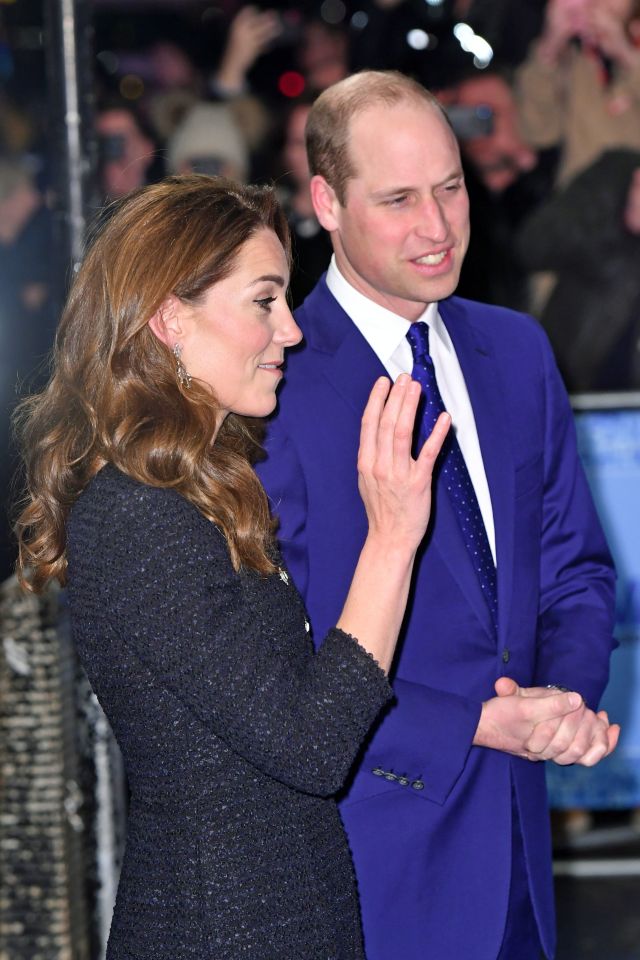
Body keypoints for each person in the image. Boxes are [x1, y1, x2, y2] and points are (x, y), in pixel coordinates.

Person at [12, 173, 458, 959]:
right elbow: (312, 747)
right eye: (264, 301)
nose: (290, 331)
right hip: (221, 929)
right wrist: (391, 538)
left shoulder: (201, 490)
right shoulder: (135, 514)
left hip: (276, 916)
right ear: (170, 318)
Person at [257, 71, 620, 960]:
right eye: (399, 199)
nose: (438, 226)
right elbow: (276, 658)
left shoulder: (516, 349)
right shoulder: (271, 386)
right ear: (327, 205)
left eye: (451, 187)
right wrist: (472, 724)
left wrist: (563, 700)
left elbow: (576, 568)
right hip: (375, 868)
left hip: (524, 864)